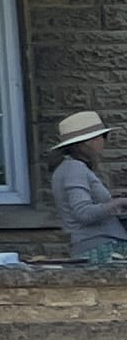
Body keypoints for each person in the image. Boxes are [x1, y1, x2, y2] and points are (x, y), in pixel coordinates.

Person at [49, 110, 119, 264]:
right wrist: (119, 203)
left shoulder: (67, 168)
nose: (104, 141)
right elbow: (84, 213)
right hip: (101, 247)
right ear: (89, 141)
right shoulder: (75, 168)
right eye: (103, 136)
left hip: (96, 246)